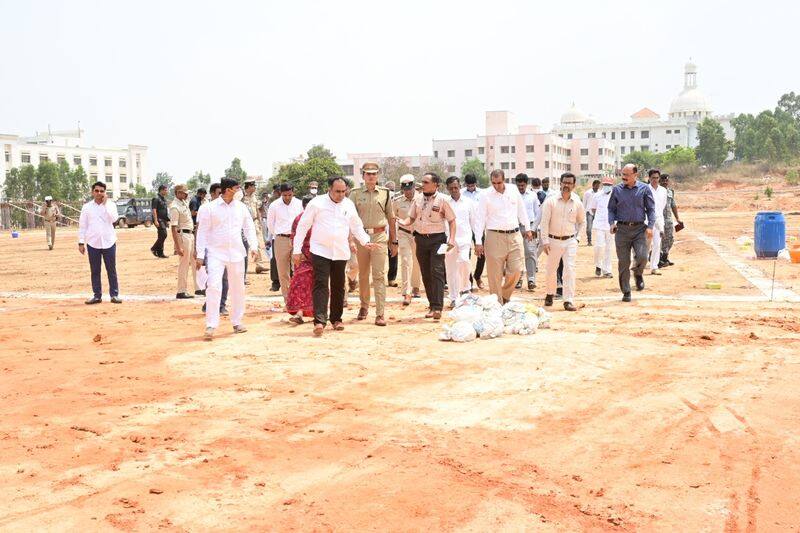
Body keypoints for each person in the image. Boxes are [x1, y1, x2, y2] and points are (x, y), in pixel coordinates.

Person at [293, 176, 378, 337]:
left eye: (343, 191)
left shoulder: (348, 204)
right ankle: (319, 320)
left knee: (339, 286)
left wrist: (366, 241)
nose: (340, 195)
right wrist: (296, 250)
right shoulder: (316, 203)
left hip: (340, 251)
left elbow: (356, 226)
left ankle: (336, 319)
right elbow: (303, 226)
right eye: (337, 191)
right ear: (329, 190)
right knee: (321, 284)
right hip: (320, 250)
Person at [195, 178, 258, 339]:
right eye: (237, 188)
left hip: (237, 253)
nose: (239, 191)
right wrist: (200, 255)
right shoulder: (209, 208)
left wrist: (254, 246)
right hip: (216, 253)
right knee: (214, 287)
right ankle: (211, 325)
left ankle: (237, 321)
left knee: (238, 288)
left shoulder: (241, 207)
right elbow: (202, 232)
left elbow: (249, 227)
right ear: (228, 190)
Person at [399, 172, 456, 319]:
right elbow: (410, 218)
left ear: (435, 184)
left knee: (437, 271)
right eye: (422, 182)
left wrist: (451, 239)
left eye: (425, 182)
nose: (422, 184)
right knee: (426, 272)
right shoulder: (417, 199)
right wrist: (401, 222)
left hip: (438, 240)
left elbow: (452, 220)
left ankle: (438, 307)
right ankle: (432, 305)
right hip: (421, 240)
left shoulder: (443, 199)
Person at [474, 169, 533, 304]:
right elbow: (480, 219)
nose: (496, 186)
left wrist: (528, 228)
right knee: (494, 274)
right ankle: (497, 302)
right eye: (493, 183)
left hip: (515, 235)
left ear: (504, 180)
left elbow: (521, 210)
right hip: (494, 237)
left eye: (499, 182)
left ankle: (505, 295)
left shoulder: (513, 190)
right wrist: (478, 241)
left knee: (517, 269)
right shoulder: (486, 195)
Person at [349, 162, 397, 326]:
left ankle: (380, 313)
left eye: (374, 173)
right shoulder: (354, 194)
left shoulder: (385, 193)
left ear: (378, 176)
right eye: (368, 173)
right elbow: (349, 219)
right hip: (361, 237)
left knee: (379, 275)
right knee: (363, 275)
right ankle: (363, 306)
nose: (371, 176)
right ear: (363, 175)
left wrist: (393, 240)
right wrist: (350, 240)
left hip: (379, 237)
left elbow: (391, 217)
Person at [608, 164, 656, 302]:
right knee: (623, 262)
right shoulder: (616, 190)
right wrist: (611, 223)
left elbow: (651, 209)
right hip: (621, 230)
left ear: (635, 175)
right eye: (622, 174)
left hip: (639, 229)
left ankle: (638, 273)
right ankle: (626, 291)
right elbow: (611, 209)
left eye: (627, 174)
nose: (624, 177)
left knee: (642, 256)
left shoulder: (644, 189)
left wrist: (650, 226)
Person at [540, 172, 585, 312]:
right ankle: (549, 293)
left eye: (569, 183)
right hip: (553, 241)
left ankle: (568, 300)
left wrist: (578, 239)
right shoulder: (551, 201)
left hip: (570, 240)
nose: (566, 185)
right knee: (551, 270)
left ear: (574, 185)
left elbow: (582, 222)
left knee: (569, 270)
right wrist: (545, 241)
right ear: (560, 183)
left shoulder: (577, 202)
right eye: (564, 182)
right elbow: (544, 222)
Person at [78, 181, 121, 304]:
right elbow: (83, 226)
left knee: (111, 269)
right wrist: (81, 242)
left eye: (102, 191)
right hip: (93, 243)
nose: (99, 193)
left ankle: (114, 295)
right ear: (92, 192)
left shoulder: (111, 205)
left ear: (105, 192)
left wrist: (105, 204)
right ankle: (97, 295)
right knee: (95, 270)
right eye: (96, 191)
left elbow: (114, 219)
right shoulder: (86, 207)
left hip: (109, 242)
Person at [267, 183, 303, 304]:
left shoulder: (299, 204)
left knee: (298, 270)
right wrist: (279, 235)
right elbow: (270, 225)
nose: (287, 197)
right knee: (283, 271)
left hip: (297, 239)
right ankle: (288, 300)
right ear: (280, 193)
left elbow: (303, 221)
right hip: (281, 239)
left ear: (293, 192)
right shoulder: (274, 205)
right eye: (285, 195)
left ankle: (299, 298)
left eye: (290, 194)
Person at [444, 176, 477, 306]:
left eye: (456, 188)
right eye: (451, 188)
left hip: (465, 240)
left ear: (460, 187)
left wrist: (478, 241)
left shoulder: (468, 202)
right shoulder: (445, 203)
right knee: (451, 269)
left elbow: (474, 223)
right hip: (449, 241)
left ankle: (465, 289)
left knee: (464, 262)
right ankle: (453, 297)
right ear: (447, 189)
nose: (454, 190)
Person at [199, 183, 228, 316]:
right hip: (210, 250)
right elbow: (200, 230)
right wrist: (198, 250)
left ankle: (221, 305)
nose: (220, 196)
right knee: (212, 279)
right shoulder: (205, 208)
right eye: (218, 193)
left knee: (225, 279)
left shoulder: (228, 208)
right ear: (212, 194)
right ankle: (210, 304)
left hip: (225, 249)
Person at [392, 174, 422, 305]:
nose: (408, 192)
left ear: (414, 187)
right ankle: (407, 292)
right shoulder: (397, 201)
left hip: (418, 234)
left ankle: (416, 287)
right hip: (403, 234)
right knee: (405, 261)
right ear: (402, 189)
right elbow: (393, 220)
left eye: (410, 189)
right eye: (405, 190)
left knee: (417, 261)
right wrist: (392, 239)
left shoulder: (421, 200)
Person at [286, 195, 316, 323]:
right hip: (303, 257)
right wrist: (298, 252)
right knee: (300, 284)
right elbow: (294, 237)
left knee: (318, 284)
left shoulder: (320, 218)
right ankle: (299, 313)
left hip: (320, 256)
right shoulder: (298, 219)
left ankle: (319, 313)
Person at [515, 173, 541, 291]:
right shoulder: (513, 196)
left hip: (529, 228)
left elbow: (538, 213)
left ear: (526, 184)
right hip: (515, 228)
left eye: (522, 185)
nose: (521, 187)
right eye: (519, 185)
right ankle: (518, 279)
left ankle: (531, 279)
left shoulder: (533, 196)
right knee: (516, 255)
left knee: (530, 252)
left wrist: (534, 228)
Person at [169, 184, 196, 299]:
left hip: (190, 234)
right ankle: (181, 290)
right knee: (184, 264)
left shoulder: (183, 202)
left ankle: (198, 288)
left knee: (193, 261)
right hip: (183, 235)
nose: (187, 194)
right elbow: (173, 227)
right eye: (185, 193)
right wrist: (177, 245)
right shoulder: (175, 207)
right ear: (178, 193)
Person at [461, 173, 485, 289]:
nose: (471, 187)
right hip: (465, 227)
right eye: (468, 185)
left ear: (476, 183)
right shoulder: (461, 193)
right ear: (466, 184)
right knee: (466, 254)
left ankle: (478, 276)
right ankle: (468, 280)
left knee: (482, 253)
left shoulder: (482, 193)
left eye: (473, 185)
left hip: (479, 226)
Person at [588, 176, 615, 278]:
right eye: (605, 185)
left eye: (609, 185)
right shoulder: (597, 195)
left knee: (609, 248)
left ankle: (607, 270)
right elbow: (593, 209)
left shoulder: (615, 196)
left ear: (612, 186)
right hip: (599, 224)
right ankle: (598, 265)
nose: (607, 186)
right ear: (602, 185)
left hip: (611, 225)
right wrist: (599, 216)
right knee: (599, 246)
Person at [244, 180, 269, 274]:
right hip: (244, 224)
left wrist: (259, 221)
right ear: (249, 187)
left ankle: (260, 265)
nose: (255, 188)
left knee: (258, 243)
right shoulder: (241, 197)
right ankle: (243, 267)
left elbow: (257, 210)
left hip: (254, 222)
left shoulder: (254, 197)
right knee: (244, 245)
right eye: (253, 186)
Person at [647, 169, 668, 276]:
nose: (655, 180)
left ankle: (654, 267)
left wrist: (660, 222)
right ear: (649, 178)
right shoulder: (645, 190)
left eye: (656, 178)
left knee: (657, 244)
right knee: (645, 245)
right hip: (647, 221)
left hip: (659, 220)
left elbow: (662, 206)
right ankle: (639, 266)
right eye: (653, 178)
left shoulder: (663, 191)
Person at [658, 173, 682, 268]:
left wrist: (677, 218)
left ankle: (665, 257)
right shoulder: (656, 191)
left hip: (668, 219)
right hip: (659, 219)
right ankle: (658, 258)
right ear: (659, 181)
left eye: (666, 180)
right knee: (659, 239)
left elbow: (673, 205)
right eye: (662, 180)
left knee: (670, 239)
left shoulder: (670, 192)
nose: (664, 182)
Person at [266, 184, 281, 292]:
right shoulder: (274, 205)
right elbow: (270, 224)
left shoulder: (295, 204)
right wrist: (269, 238)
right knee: (275, 260)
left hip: (291, 237)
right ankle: (276, 282)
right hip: (277, 237)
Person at [150, 184, 170, 258]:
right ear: (161, 190)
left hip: (163, 219)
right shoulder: (156, 198)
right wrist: (155, 220)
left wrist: (167, 220)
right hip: (158, 219)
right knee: (164, 234)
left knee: (161, 236)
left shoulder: (164, 199)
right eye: (165, 190)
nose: (166, 191)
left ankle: (160, 253)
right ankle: (154, 248)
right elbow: (154, 210)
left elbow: (165, 210)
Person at [583, 179, 600, 246]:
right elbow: (584, 203)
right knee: (589, 228)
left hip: (597, 213)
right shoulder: (587, 193)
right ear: (593, 185)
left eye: (598, 186)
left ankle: (599, 241)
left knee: (599, 228)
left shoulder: (600, 193)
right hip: (589, 213)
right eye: (596, 186)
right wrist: (583, 214)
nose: (597, 187)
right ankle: (589, 241)